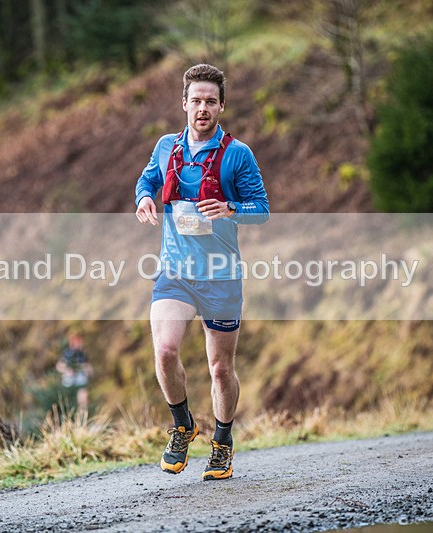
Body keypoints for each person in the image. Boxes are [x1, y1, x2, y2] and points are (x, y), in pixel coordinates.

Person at [134, 64, 269, 480]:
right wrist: (144, 199)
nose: (203, 108)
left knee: (220, 368)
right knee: (165, 350)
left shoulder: (237, 154)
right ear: (184, 104)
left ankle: (223, 442)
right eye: (196, 100)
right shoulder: (165, 147)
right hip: (175, 271)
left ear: (222, 105)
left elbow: (261, 210)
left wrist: (230, 209)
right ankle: (182, 425)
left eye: (211, 101)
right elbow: (147, 180)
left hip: (220, 275)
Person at [56, 335, 93, 414]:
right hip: (68, 383)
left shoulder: (82, 354)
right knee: (67, 402)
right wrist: (68, 370)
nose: (80, 346)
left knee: (83, 396)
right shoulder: (67, 354)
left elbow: (89, 368)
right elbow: (59, 367)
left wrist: (87, 370)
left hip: (80, 381)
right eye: (78, 344)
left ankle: (82, 416)